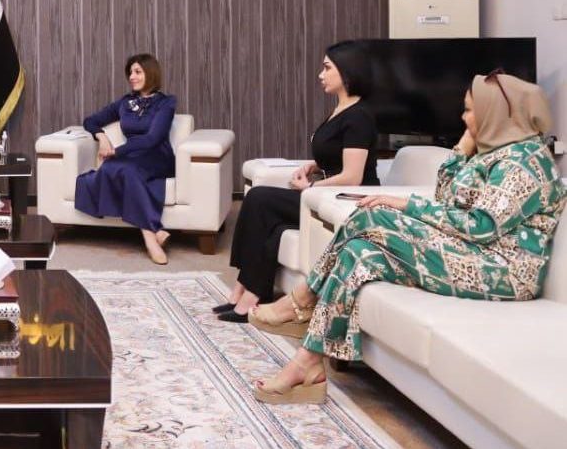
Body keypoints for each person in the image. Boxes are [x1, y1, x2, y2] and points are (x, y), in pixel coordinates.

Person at [248, 72, 565, 404]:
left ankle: (301, 300)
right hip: (472, 252)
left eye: (470, 111)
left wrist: (407, 205)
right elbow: (445, 196)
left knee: (370, 217)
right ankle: (309, 364)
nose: (463, 117)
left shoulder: (525, 162)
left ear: (494, 113)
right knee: (359, 252)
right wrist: (463, 146)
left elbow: (480, 226)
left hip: (503, 271)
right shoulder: (492, 151)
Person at [218, 40, 378, 324]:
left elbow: (353, 176)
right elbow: (337, 154)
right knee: (273, 225)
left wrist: (311, 188)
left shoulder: (360, 116)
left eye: (327, 68)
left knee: (259, 198)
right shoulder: (341, 110)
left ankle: (246, 290)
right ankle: (249, 292)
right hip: (325, 195)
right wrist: (314, 165)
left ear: (347, 72)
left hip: (345, 201)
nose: (320, 74)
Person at [74, 53, 178, 265]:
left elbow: (152, 138)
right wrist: (101, 136)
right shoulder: (125, 103)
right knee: (112, 169)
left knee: (118, 167)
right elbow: (90, 121)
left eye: (137, 72)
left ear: (151, 73)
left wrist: (116, 151)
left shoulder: (166, 103)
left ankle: (151, 237)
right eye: (130, 72)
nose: (132, 77)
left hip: (157, 156)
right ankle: (153, 233)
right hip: (130, 158)